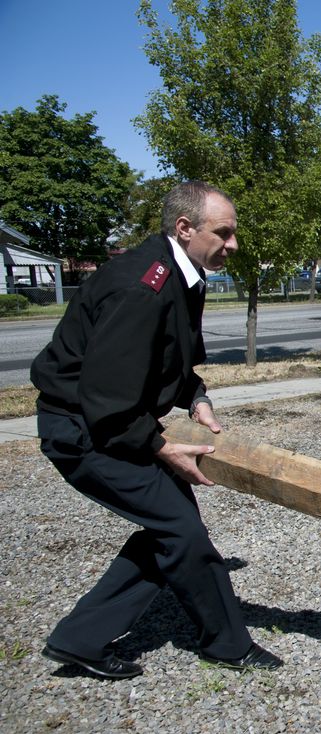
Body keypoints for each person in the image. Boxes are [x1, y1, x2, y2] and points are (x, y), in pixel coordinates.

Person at [31, 181, 282, 679]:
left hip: (115, 424)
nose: (232, 244)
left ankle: (79, 638)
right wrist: (161, 446)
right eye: (224, 233)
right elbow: (106, 397)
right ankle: (227, 645)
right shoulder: (141, 287)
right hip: (85, 432)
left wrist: (198, 397)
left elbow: (170, 361)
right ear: (185, 228)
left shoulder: (179, 275)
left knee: (171, 531)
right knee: (181, 530)